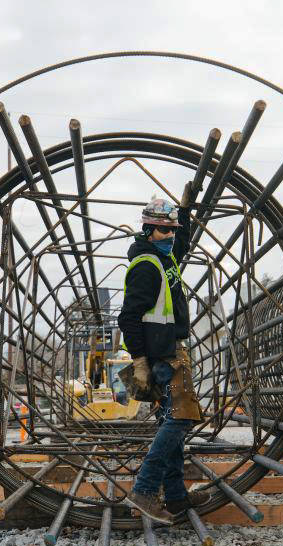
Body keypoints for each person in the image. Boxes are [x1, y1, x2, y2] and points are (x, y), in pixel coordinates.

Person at [119, 193, 209, 524]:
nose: (170, 236)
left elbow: (181, 241)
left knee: (169, 421)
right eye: (162, 231)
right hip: (163, 356)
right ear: (147, 231)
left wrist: (185, 210)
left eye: (172, 230)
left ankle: (175, 498)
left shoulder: (165, 257)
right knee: (181, 419)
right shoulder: (146, 265)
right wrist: (139, 360)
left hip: (168, 350)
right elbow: (128, 318)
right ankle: (144, 490)